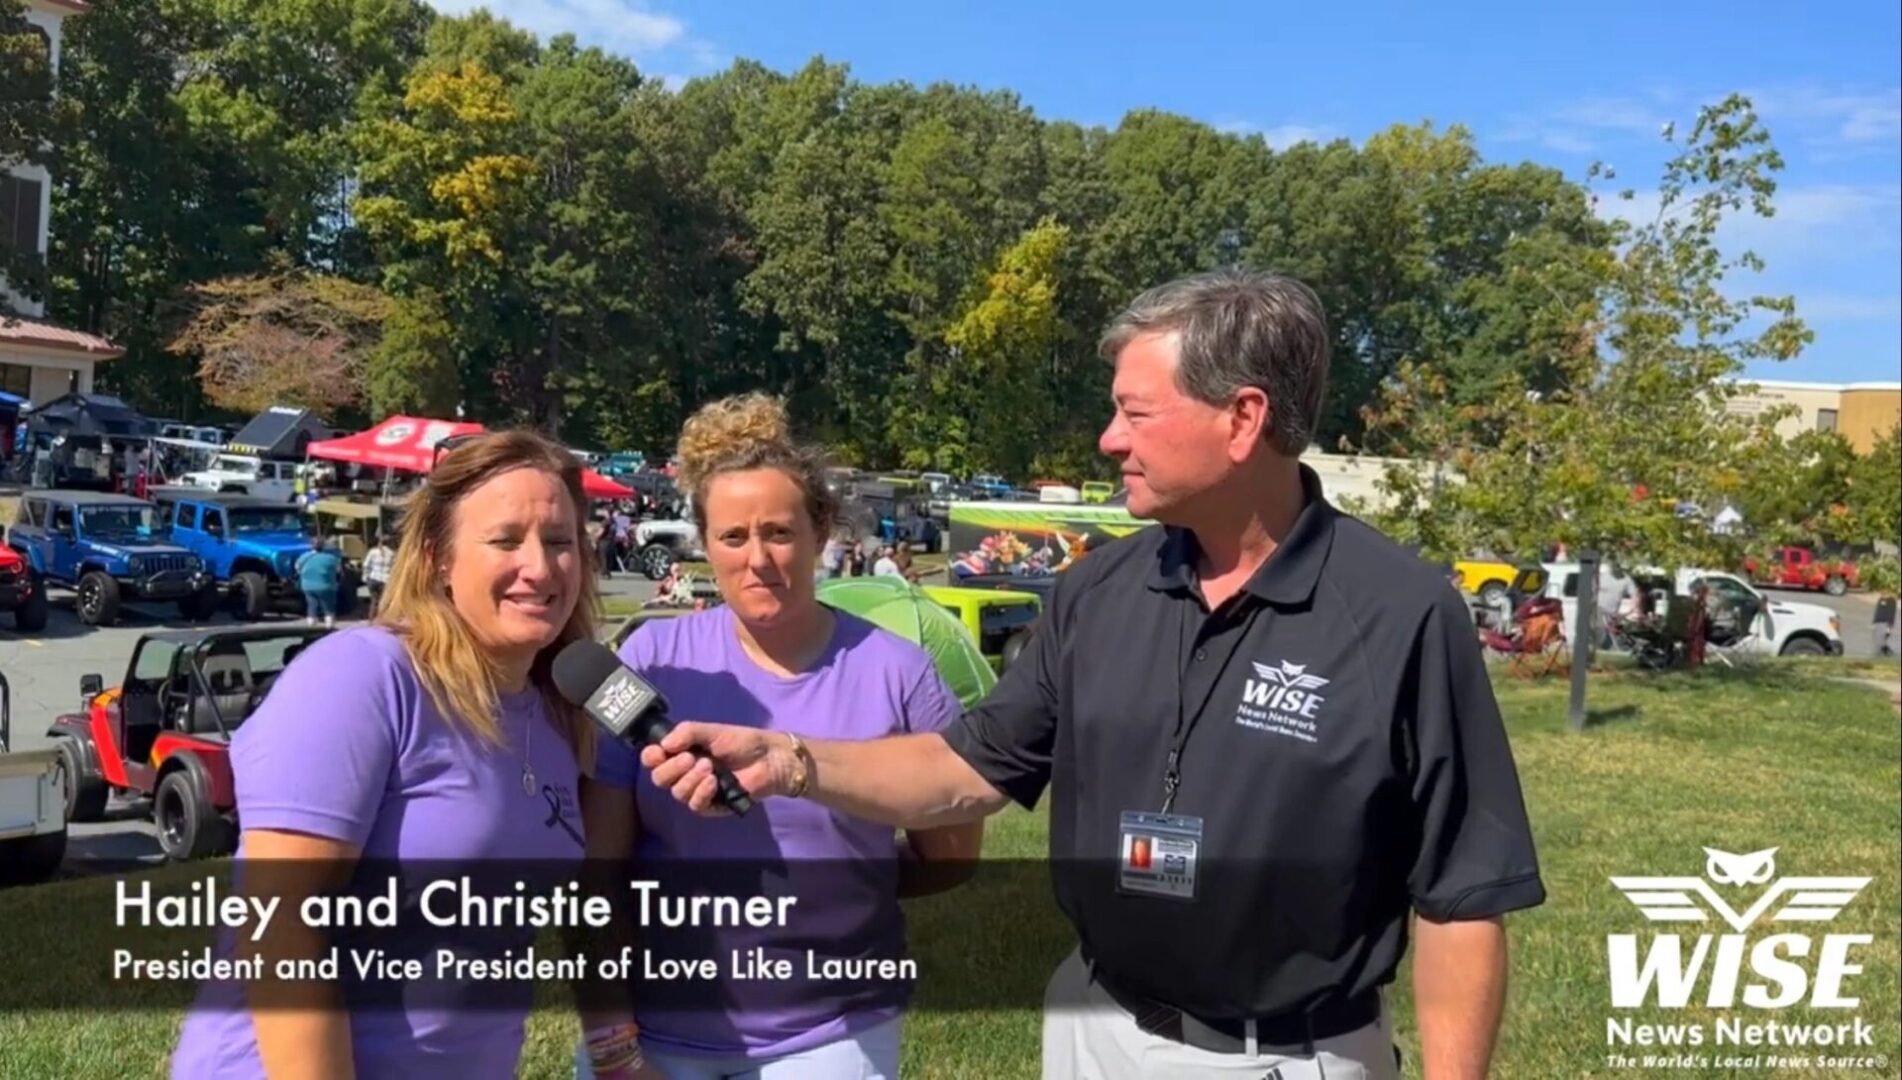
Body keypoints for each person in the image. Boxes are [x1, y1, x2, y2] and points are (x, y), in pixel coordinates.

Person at [639, 269, 1545, 1079]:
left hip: (1283, 1056)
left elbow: (1461, 899)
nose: (1109, 439)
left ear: (1243, 419)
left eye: (1134, 412)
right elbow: (965, 771)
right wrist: (790, 759)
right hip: (1092, 1027)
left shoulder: (1400, 613)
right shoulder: (1098, 588)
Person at [575, 392, 982, 1080]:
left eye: (779, 532)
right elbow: (601, 876)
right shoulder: (647, 661)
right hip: (656, 1035)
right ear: (705, 543)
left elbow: (951, 856)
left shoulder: (900, 674)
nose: (758, 558)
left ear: (821, 531)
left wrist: (840, 886)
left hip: (833, 1034)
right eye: (733, 537)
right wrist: (613, 1047)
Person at [169, 430, 599, 1079]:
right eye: (506, 540)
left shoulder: (561, 709)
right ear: (440, 557)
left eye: (560, 542)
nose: (540, 567)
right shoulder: (365, 676)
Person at [295, 535, 344, 628]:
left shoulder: (303, 557)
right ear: (324, 546)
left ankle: (311, 626)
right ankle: (329, 627)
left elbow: (297, 568)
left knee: (311, 606)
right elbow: (339, 571)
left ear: (311, 546)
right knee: (328, 607)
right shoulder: (331, 558)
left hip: (307, 586)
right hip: (327, 586)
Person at [361, 533, 395, 615]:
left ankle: (372, 618)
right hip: (385, 579)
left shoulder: (372, 552)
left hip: (373, 578)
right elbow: (394, 568)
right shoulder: (392, 554)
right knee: (385, 601)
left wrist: (365, 576)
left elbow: (366, 565)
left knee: (374, 600)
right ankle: (382, 618)